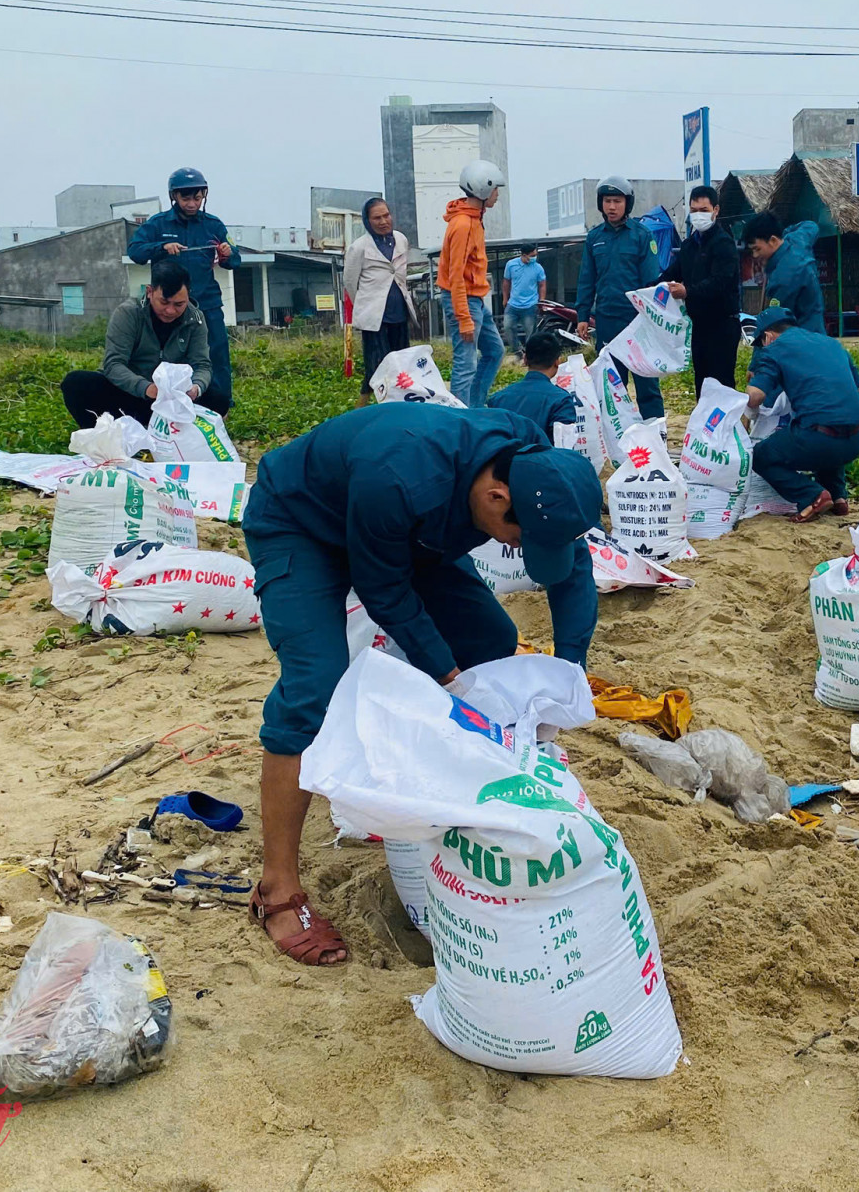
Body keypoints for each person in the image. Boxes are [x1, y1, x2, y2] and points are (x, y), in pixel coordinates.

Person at [241, 406, 602, 965]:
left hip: (408, 533)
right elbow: (384, 590)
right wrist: (451, 678)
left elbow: (573, 564)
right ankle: (277, 888)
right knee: (317, 689)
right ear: (495, 498)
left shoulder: (535, 461)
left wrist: (568, 675)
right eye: (518, 541)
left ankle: (448, 794)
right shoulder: (403, 474)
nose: (518, 551)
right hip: (302, 521)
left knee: (489, 639)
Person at [126, 168, 241, 414]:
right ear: (174, 197)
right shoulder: (158, 224)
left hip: (206, 302)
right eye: (186, 199)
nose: (192, 204)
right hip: (170, 305)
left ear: (204, 196)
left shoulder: (214, 225)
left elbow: (235, 259)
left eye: (197, 198)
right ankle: (164, 403)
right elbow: (135, 251)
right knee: (170, 355)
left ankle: (219, 406)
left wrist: (228, 254)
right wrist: (161, 247)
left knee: (216, 353)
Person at [744, 306, 859, 523]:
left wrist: (748, 386)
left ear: (768, 336)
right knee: (831, 428)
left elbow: (756, 397)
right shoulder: (831, 343)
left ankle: (811, 496)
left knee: (762, 456)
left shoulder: (774, 350)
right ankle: (838, 496)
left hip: (819, 439)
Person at [60, 260, 211, 427]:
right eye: (164, 302)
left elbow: (202, 364)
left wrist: (195, 388)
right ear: (149, 292)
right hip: (129, 395)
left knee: (219, 398)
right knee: (76, 383)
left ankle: (166, 433)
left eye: (179, 304)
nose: (170, 311)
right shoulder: (128, 313)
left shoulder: (195, 319)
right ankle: (105, 438)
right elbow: (113, 364)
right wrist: (146, 388)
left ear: (188, 296)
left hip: (172, 401)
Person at [575, 176, 664, 420]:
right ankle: (619, 442)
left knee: (647, 385)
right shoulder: (594, 238)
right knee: (613, 386)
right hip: (607, 321)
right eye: (607, 201)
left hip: (638, 323)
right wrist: (582, 315)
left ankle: (656, 435)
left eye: (617, 201)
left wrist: (652, 320)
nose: (611, 207)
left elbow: (650, 284)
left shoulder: (642, 236)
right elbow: (586, 279)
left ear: (628, 203)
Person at [438, 160, 506, 408]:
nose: (498, 195)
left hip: (475, 299)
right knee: (466, 364)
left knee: (495, 351)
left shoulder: (475, 218)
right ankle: (459, 419)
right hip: (464, 300)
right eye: (496, 189)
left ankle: (474, 409)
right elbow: (455, 275)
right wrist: (464, 317)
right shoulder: (463, 224)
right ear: (483, 188)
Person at [662, 184, 742, 395]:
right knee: (703, 383)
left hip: (723, 325)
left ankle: (726, 427)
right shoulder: (689, 246)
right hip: (699, 326)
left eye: (704, 211)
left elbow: (720, 282)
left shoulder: (724, 244)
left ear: (716, 210)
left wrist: (688, 292)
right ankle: (704, 427)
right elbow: (671, 273)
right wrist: (649, 290)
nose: (699, 216)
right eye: (694, 210)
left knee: (722, 383)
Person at [341, 196, 413, 389]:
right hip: (375, 319)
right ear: (367, 221)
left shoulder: (401, 240)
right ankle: (372, 403)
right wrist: (366, 305)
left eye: (386, 215)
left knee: (402, 365)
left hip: (399, 311)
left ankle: (402, 405)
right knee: (377, 367)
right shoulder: (359, 247)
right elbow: (350, 281)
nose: (383, 222)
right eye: (377, 218)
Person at [743, 212, 826, 334]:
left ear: (773, 240)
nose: (755, 255)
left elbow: (776, 323)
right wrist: (785, 235)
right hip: (818, 329)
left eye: (757, 249)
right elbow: (811, 226)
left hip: (802, 338)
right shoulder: (797, 240)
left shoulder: (782, 280)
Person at [489, 330, 580, 435]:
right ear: (557, 362)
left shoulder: (498, 399)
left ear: (525, 359)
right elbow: (563, 443)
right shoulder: (561, 400)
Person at [502, 243, 546, 357]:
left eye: (535, 255)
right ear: (524, 255)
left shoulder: (538, 268)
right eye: (532, 255)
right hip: (513, 304)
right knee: (507, 327)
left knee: (530, 333)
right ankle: (517, 351)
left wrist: (541, 301)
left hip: (530, 305)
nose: (534, 258)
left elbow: (542, 284)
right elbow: (506, 282)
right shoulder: (511, 265)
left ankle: (529, 355)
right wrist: (505, 298)